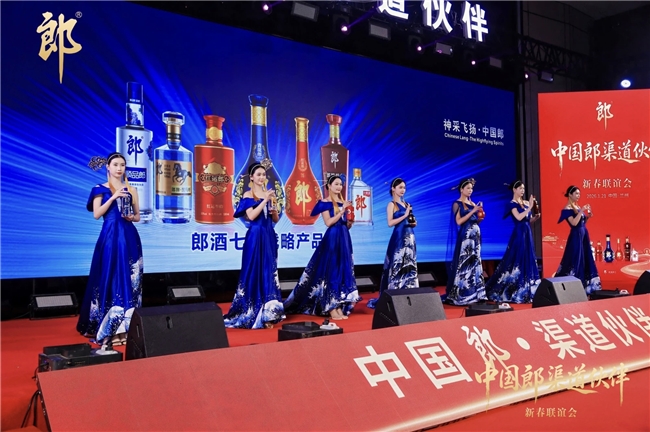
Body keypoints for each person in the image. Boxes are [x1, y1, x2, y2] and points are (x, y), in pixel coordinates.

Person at [77, 152, 143, 348]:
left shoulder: (132, 189)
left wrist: (131, 217)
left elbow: (138, 216)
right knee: (110, 277)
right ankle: (109, 328)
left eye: (122, 165)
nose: (119, 168)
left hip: (129, 236)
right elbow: (97, 214)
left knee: (130, 279)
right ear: (108, 167)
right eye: (115, 164)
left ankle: (128, 328)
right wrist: (113, 196)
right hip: (110, 237)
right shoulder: (99, 189)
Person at [284, 175, 361, 320]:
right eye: (336, 184)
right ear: (329, 186)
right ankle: (331, 307)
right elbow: (328, 222)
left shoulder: (344, 202)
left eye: (340, 184)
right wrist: (342, 211)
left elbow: (346, 225)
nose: (339, 187)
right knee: (332, 272)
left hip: (344, 237)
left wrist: (350, 221)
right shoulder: (325, 203)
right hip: (332, 238)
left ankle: (338, 305)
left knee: (342, 271)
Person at [223, 163, 285, 329]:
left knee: (269, 272)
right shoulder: (248, 195)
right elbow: (250, 216)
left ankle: (269, 313)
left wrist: (274, 210)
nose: (261, 177)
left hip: (268, 235)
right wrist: (264, 200)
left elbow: (275, 219)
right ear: (251, 177)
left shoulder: (269, 194)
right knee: (253, 271)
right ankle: (252, 310)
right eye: (258, 174)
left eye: (263, 174)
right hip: (255, 236)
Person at [486, 181, 541, 303]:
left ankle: (529, 286)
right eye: (520, 188)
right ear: (514, 190)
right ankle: (514, 287)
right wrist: (530, 208)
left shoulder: (525, 203)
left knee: (528, 258)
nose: (522, 191)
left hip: (527, 233)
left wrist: (535, 218)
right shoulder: (512, 204)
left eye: (523, 188)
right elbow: (519, 217)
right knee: (517, 259)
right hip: (519, 234)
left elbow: (527, 220)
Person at [367, 178, 418, 309]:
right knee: (397, 264)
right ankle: (394, 295)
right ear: (393, 189)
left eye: (404, 188)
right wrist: (404, 215)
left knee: (409, 265)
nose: (403, 190)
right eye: (400, 187)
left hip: (410, 236)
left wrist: (412, 221)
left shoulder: (407, 204)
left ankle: (409, 294)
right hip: (399, 237)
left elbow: (412, 221)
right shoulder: (391, 205)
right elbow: (390, 223)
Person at [445, 178, 487, 305]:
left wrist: (480, 217)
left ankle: (477, 293)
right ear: (461, 189)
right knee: (465, 262)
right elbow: (459, 221)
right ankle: (464, 292)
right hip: (466, 236)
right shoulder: (457, 204)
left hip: (475, 235)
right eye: (468, 188)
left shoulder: (473, 203)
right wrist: (473, 211)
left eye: (471, 188)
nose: (470, 190)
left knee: (475, 261)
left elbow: (474, 220)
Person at [555, 185, 601, 294]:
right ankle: (571, 285)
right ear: (570, 195)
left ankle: (587, 285)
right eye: (576, 193)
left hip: (583, 235)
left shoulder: (577, 207)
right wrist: (582, 211)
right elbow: (574, 223)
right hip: (576, 236)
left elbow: (582, 222)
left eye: (579, 194)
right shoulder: (567, 209)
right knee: (575, 259)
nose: (578, 196)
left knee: (585, 258)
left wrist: (588, 216)